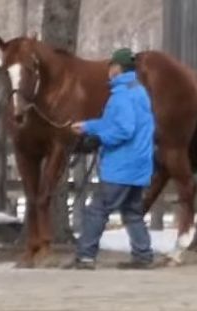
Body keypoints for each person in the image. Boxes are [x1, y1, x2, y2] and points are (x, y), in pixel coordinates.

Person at [68, 50, 162, 271]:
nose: (109, 71)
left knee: (98, 209)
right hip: (139, 165)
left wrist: (99, 139)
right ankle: (143, 255)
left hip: (121, 165)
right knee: (132, 212)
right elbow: (117, 122)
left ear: (117, 69)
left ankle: (86, 256)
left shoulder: (121, 96)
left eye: (111, 67)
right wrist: (88, 126)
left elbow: (123, 129)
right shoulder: (138, 92)